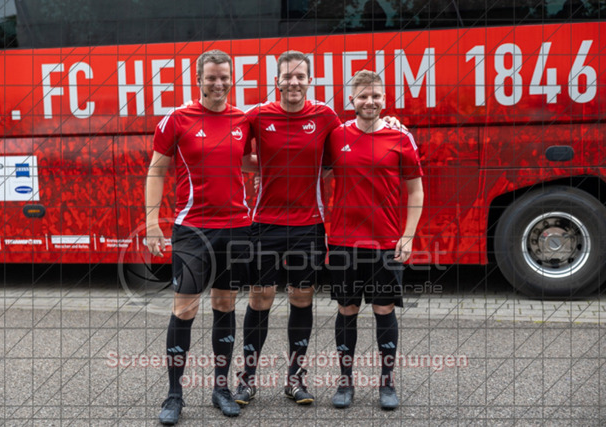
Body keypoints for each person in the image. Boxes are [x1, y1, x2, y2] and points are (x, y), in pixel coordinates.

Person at [145, 49, 253, 424]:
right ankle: (174, 396)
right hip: (192, 229)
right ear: (198, 80)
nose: (218, 83)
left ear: (231, 79)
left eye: (224, 77)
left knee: (225, 305)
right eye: (211, 77)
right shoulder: (177, 119)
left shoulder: (243, 120)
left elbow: (249, 160)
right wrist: (151, 222)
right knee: (184, 309)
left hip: (236, 228)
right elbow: (156, 170)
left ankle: (221, 389)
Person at [233, 50, 341, 407]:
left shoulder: (325, 116)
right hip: (265, 223)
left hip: (309, 225)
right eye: (287, 76)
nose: (294, 82)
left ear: (309, 80)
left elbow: (341, 155)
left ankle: (295, 379)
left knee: (301, 297)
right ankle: (247, 379)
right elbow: (235, 154)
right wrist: (264, 166)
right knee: (260, 297)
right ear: (276, 81)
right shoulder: (258, 115)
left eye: (300, 76)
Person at [326, 70, 424, 410]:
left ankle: (387, 383)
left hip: (384, 242)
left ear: (385, 99)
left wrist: (408, 236)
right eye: (364, 96)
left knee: (384, 310)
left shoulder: (400, 137)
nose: (370, 101)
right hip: (344, 241)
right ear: (351, 100)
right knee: (347, 310)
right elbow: (311, 171)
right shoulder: (336, 136)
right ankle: (345, 382)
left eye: (376, 96)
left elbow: (416, 190)